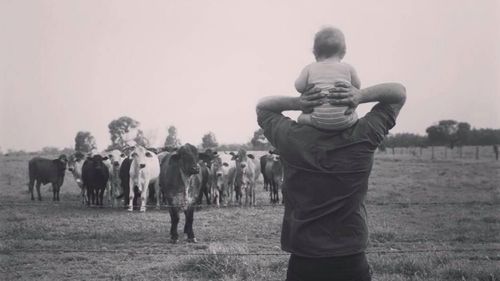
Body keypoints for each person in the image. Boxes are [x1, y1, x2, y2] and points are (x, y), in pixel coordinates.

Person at [256, 83, 406, 281]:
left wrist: (298, 102)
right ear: (347, 104)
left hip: (304, 259)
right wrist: (359, 95)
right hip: (351, 258)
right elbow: (398, 93)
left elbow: (262, 106)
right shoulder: (364, 134)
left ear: (312, 107)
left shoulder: (291, 137)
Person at [295, 26, 361, 131]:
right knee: (356, 116)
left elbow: (298, 87)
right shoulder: (348, 68)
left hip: (317, 120)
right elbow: (357, 87)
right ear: (343, 52)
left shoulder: (310, 68)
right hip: (345, 120)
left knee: (300, 118)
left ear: (314, 52)